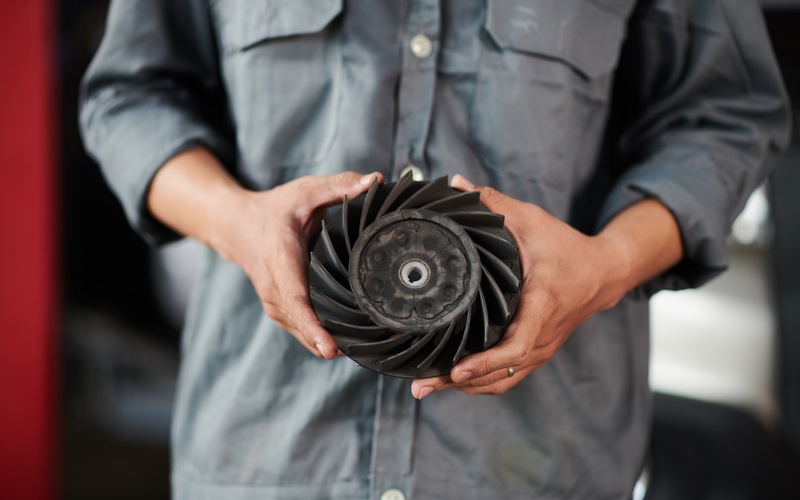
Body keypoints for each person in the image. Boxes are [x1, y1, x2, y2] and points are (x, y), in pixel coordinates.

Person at [79, 1, 790, 498]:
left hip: (541, 470)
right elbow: (131, 96)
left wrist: (605, 266)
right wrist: (236, 220)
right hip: (268, 460)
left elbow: (723, 119)